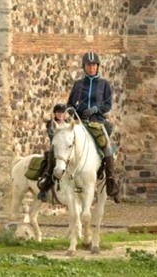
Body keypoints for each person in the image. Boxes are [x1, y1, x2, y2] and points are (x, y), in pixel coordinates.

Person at [66, 51, 121, 203]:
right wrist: (73, 112)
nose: (92, 68)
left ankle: (111, 181)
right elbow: (69, 104)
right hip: (80, 122)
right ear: (84, 67)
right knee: (63, 142)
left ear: (98, 66)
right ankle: (53, 178)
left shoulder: (104, 84)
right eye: (89, 66)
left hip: (98, 121)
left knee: (107, 147)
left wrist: (96, 109)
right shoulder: (78, 85)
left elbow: (107, 104)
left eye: (94, 65)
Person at [37, 103, 68, 201]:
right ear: (55, 113)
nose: (61, 115)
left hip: (67, 149)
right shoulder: (51, 124)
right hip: (55, 149)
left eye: (63, 113)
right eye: (58, 112)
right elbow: (52, 136)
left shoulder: (68, 124)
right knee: (51, 164)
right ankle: (44, 188)